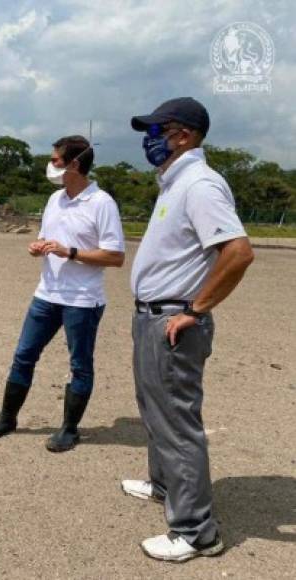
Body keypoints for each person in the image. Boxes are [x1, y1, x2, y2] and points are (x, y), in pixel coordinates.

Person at [124, 97, 254, 561]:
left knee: (177, 423)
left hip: (174, 320)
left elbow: (237, 253)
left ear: (184, 135)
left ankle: (197, 533)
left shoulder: (200, 184)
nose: (149, 139)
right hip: (153, 315)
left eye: (157, 129)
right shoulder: (175, 183)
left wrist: (196, 310)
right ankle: (164, 486)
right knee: (154, 408)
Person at [0, 135, 125, 452]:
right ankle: (7, 417)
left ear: (74, 164)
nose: (51, 164)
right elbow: (48, 240)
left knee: (79, 365)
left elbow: (115, 257)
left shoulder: (102, 203)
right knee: (23, 355)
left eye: (55, 159)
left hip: (82, 301)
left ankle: (69, 429)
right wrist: (39, 247)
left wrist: (69, 251)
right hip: (46, 294)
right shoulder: (54, 199)